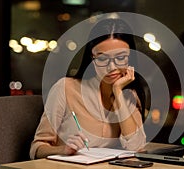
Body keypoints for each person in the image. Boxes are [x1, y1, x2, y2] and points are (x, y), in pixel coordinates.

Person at [29, 18, 147, 159]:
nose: (112, 67)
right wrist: (63, 150)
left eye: (121, 58)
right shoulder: (66, 88)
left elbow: (136, 147)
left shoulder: (128, 95)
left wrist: (118, 92)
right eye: (102, 59)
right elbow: (36, 149)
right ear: (92, 57)